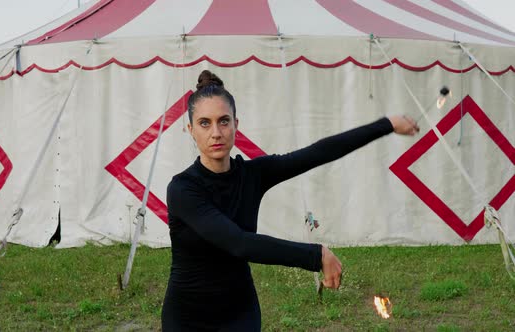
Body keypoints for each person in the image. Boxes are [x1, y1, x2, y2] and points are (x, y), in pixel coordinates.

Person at [161, 70, 419, 331]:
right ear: (190, 129)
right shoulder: (183, 189)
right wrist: (315, 255)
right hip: (189, 317)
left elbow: (317, 153)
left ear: (236, 124)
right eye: (205, 123)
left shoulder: (252, 175)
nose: (216, 132)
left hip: (240, 312)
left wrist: (386, 124)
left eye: (223, 121)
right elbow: (238, 243)